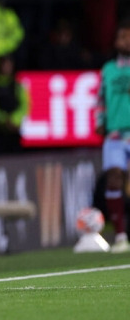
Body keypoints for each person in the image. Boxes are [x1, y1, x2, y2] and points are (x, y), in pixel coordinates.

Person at [95, 18, 130, 253]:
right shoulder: (107, 69)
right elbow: (100, 99)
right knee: (114, 178)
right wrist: (100, 122)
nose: (123, 40)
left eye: (127, 36)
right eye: (121, 37)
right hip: (116, 134)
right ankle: (120, 236)